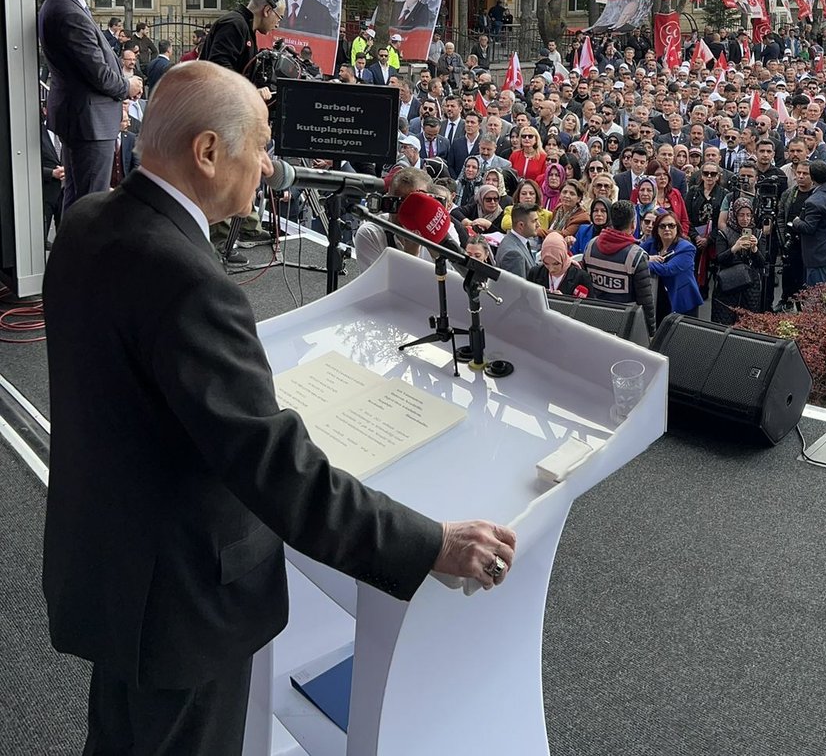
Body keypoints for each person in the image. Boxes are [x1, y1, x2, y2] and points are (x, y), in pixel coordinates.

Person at [41, 61, 514, 754]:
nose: (269, 166)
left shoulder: (87, 220)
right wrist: (433, 543)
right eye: (259, 146)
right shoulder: (190, 284)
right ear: (206, 152)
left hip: (110, 570)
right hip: (178, 603)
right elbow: (280, 474)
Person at [37, 0, 142, 209]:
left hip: (83, 119)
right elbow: (97, 73)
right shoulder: (67, 11)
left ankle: (72, 250)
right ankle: (83, 252)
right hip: (89, 123)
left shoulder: (66, 4)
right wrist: (127, 86)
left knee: (76, 198)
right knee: (90, 204)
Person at [583, 198, 657, 335]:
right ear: (633, 225)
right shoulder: (637, 255)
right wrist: (651, 332)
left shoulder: (590, 246)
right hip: (625, 325)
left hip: (595, 319)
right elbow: (645, 300)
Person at [791, 160, 826, 285]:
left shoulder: (814, 202)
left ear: (812, 178)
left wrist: (796, 222)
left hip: (819, 256)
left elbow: (809, 227)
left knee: (816, 297)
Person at [643, 212, 703, 320]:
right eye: (662, 226)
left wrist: (645, 262)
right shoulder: (652, 242)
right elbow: (635, 252)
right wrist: (647, 257)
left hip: (682, 301)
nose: (667, 229)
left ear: (677, 228)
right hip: (659, 298)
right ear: (657, 229)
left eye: (671, 225)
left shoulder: (687, 248)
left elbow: (668, 269)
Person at [531, 232, 591, 297]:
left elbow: (590, 305)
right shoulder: (535, 273)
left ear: (563, 257)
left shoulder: (581, 277)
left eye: (556, 264)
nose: (551, 269)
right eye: (546, 263)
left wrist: (564, 302)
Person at [494, 203, 541, 279]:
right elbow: (518, 289)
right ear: (521, 225)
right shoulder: (513, 254)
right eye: (534, 221)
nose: (538, 224)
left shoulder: (513, 240)